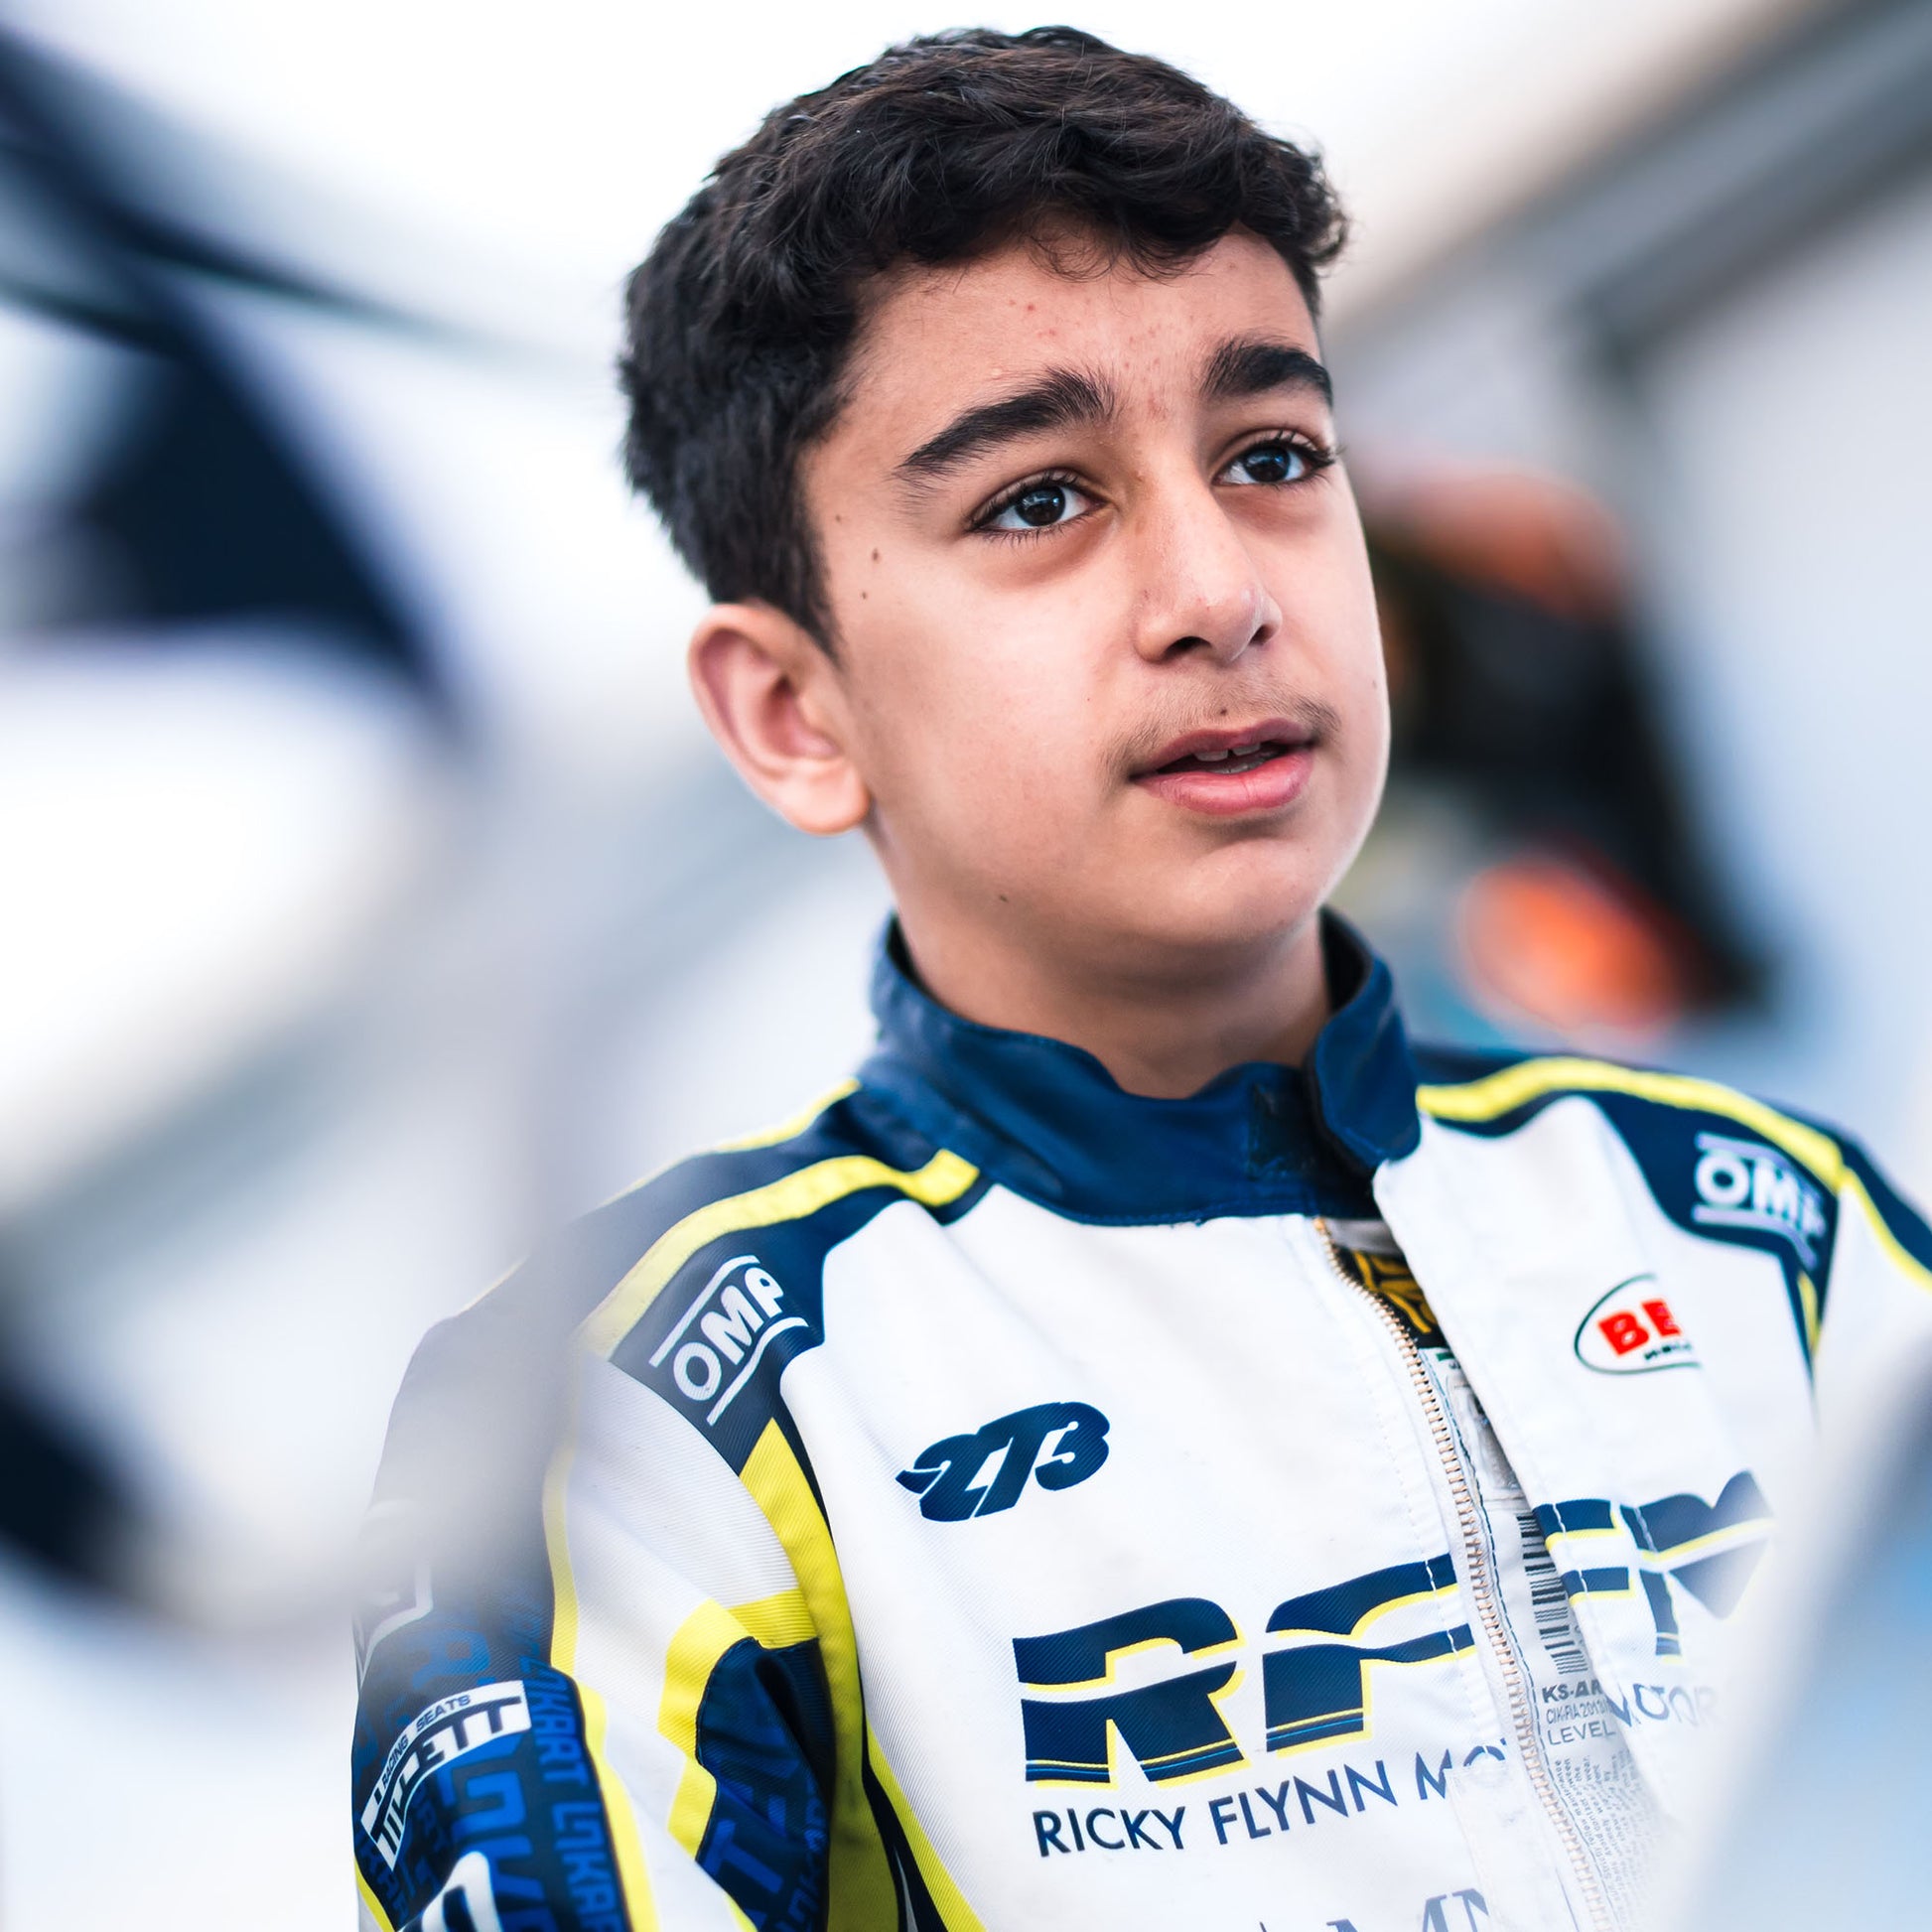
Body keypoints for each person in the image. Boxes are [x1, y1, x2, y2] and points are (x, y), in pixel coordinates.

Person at [349, 28, 1932, 1932]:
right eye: (1039, 500)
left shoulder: (1772, 1225)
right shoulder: (625, 1412)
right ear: (792, 711)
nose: (1218, 590)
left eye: (1272, 458)